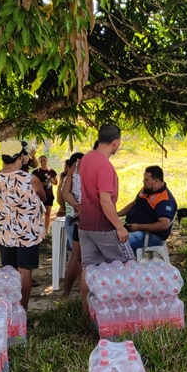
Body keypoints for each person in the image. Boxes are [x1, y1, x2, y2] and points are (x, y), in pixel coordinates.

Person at [78, 124, 133, 309]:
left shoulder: (85, 159)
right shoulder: (105, 166)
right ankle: (126, 311)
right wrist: (119, 226)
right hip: (104, 226)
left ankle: (87, 312)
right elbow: (105, 201)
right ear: (115, 143)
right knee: (128, 265)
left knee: (89, 269)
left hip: (85, 225)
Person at [0, 140, 47, 309]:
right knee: (25, 272)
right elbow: (43, 197)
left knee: (9, 273)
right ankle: (22, 311)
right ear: (21, 157)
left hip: (6, 232)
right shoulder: (30, 178)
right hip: (27, 233)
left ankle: (10, 309)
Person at [118, 165, 177, 252]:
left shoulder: (165, 199)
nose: (143, 181)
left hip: (150, 236)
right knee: (106, 239)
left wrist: (139, 227)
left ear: (156, 181)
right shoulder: (146, 189)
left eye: (146, 180)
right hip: (132, 229)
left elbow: (164, 225)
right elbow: (134, 203)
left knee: (117, 245)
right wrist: (118, 214)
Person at [60, 152, 85, 299]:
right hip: (90, 219)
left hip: (78, 217)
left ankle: (66, 294)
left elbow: (64, 192)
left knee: (76, 257)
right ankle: (83, 294)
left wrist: (76, 205)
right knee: (85, 259)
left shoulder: (74, 168)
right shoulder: (99, 166)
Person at [32, 155, 57, 232]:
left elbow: (56, 182)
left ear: (47, 161)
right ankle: (38, 230)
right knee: (39, 213)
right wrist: (42, 184)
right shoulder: (36, 172)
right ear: (39, 162)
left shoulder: (51, 171)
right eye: (41, 161)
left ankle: (46, 231)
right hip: (39, 195)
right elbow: (32, 184)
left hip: (49, 195)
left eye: (44, 160)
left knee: (48, 213)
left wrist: (51, 180)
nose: (43, 162)